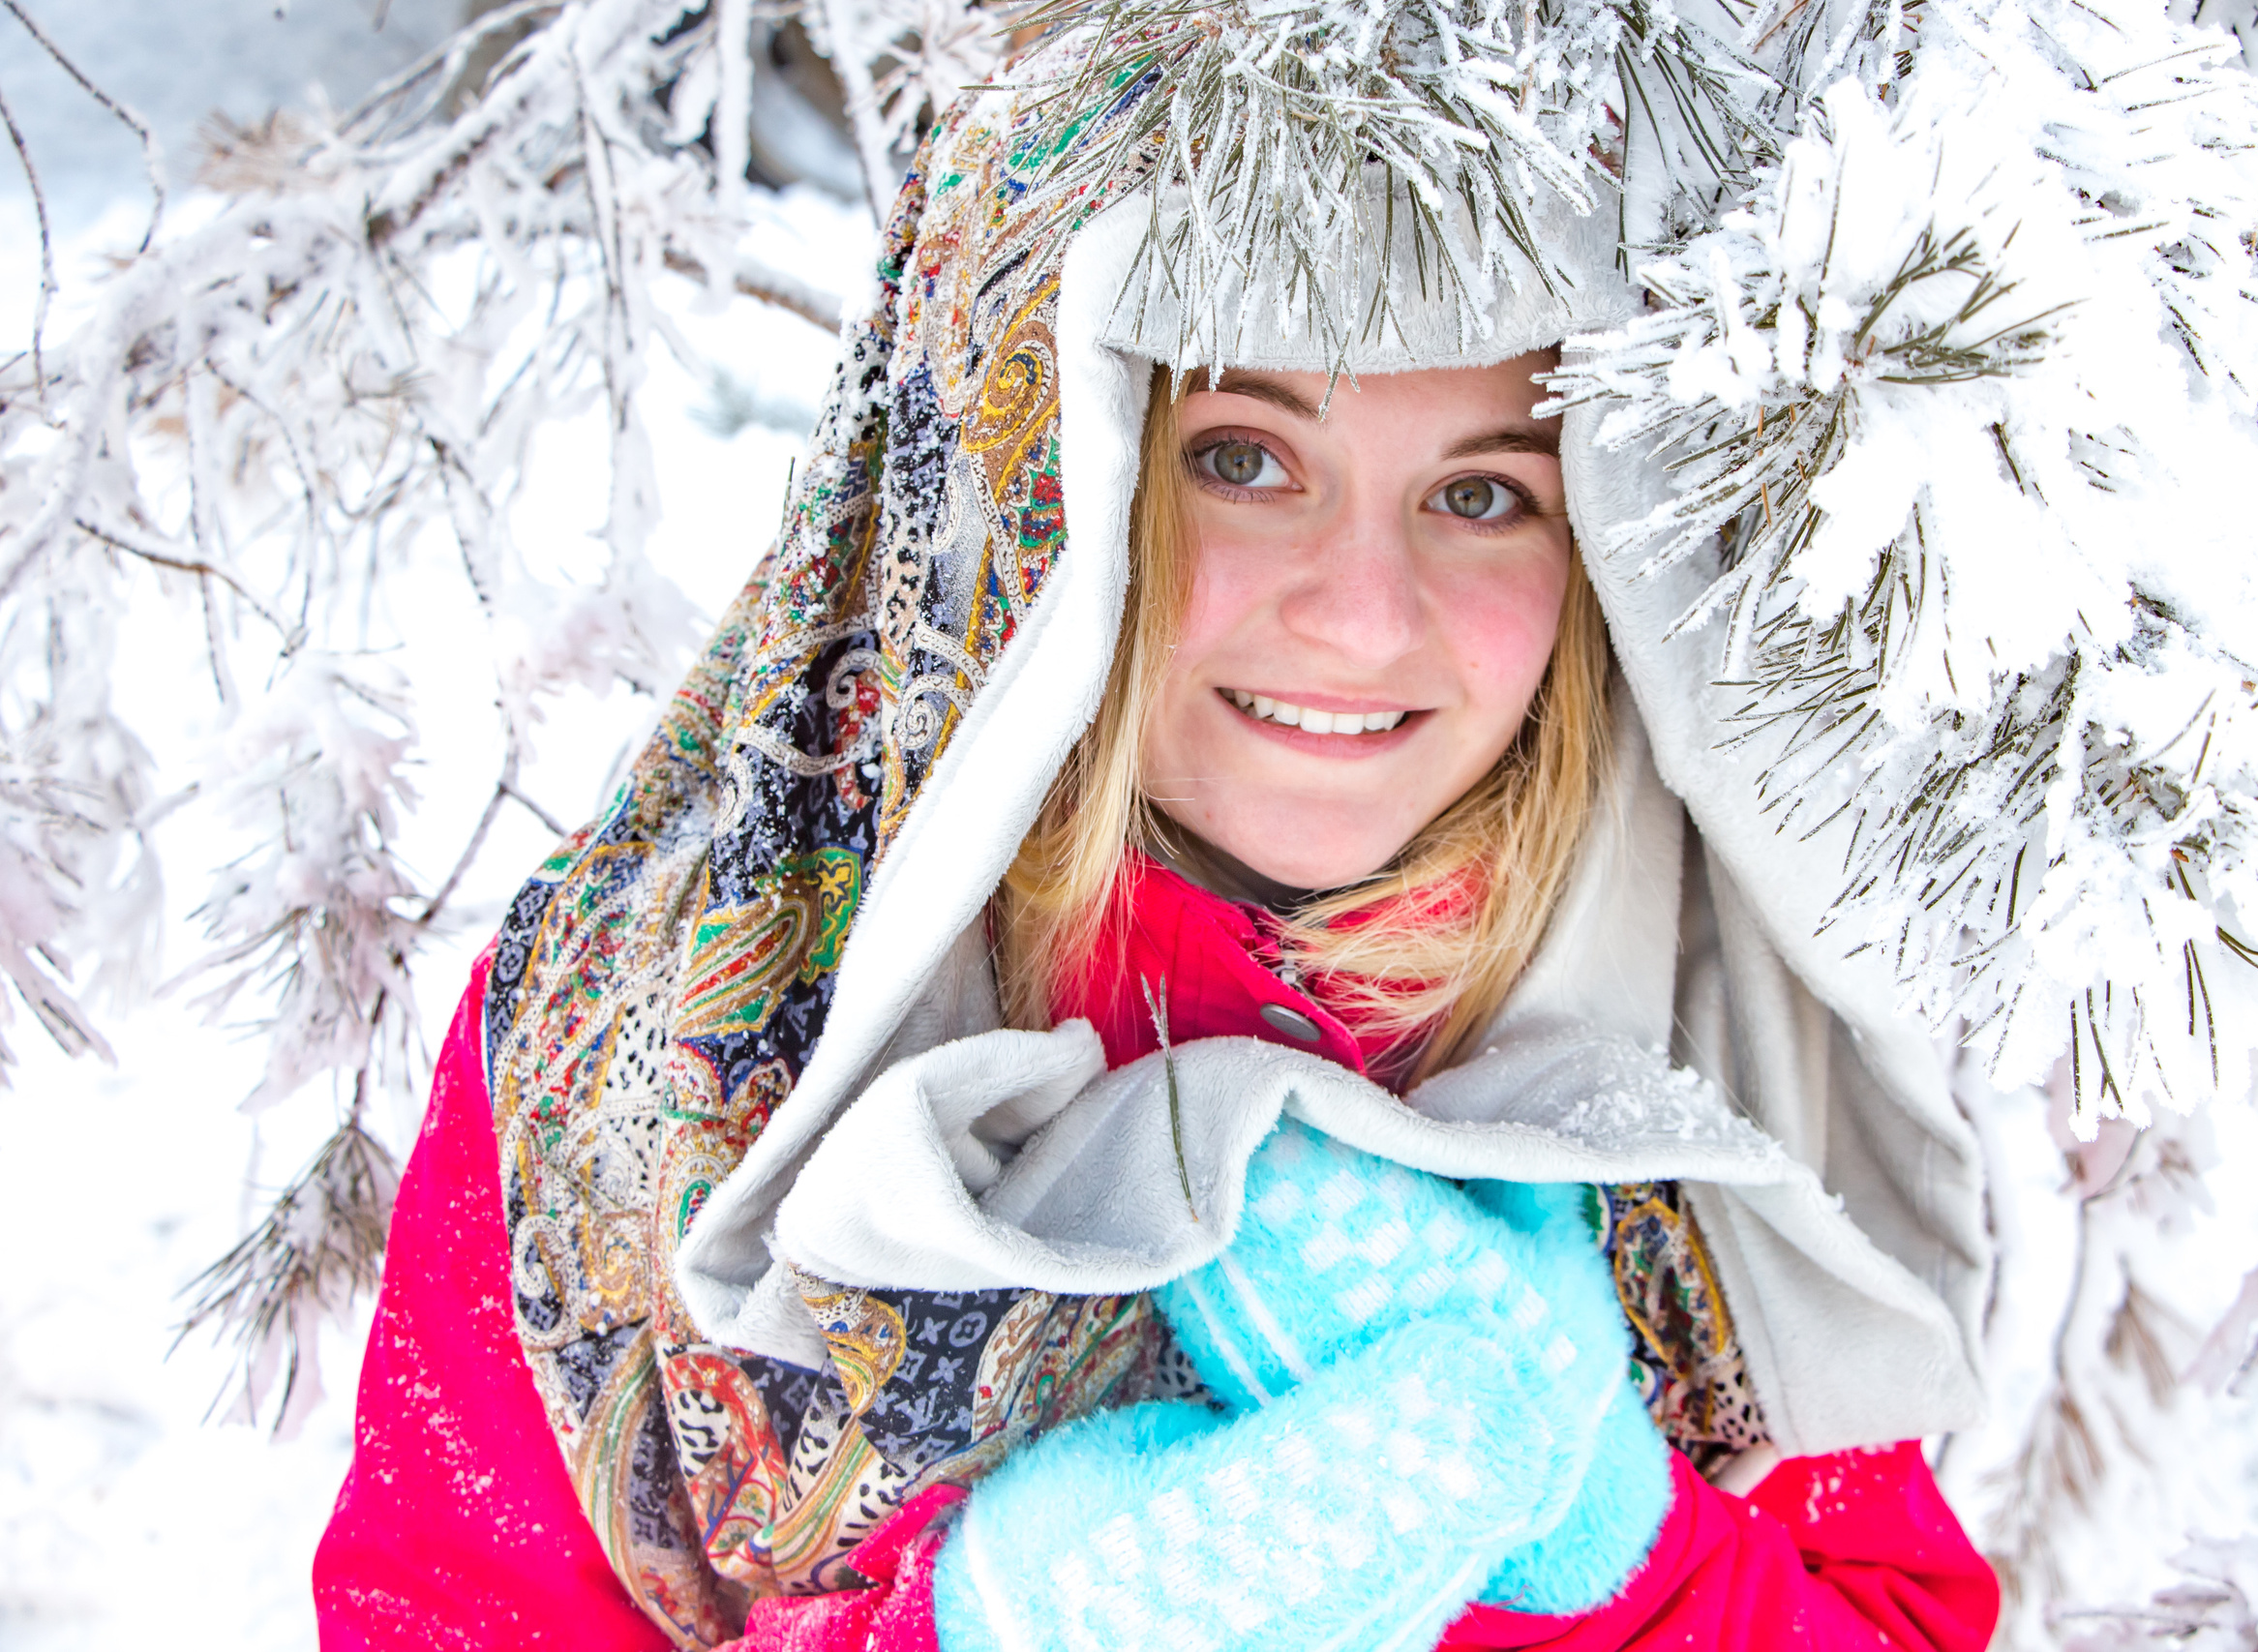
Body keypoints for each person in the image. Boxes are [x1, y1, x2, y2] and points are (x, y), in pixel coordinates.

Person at [315, 47, 2001, 1652]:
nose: (1362, 616)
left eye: (1485, 492)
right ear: (1038, 470)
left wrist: (1602, 1547)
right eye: (1246, 460)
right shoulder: (655, 1037)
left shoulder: (1700, 1048)